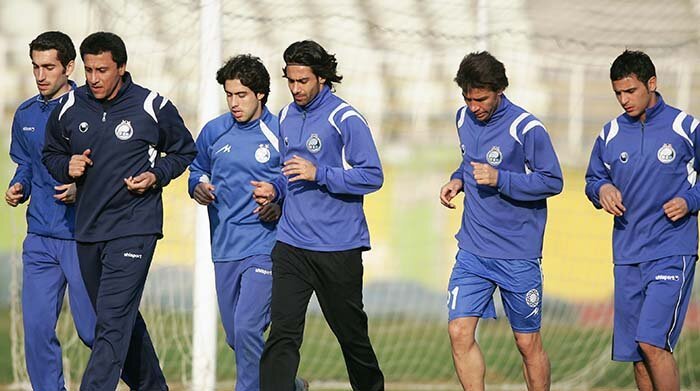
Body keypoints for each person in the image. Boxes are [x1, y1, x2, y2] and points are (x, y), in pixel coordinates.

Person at [42, 31, 196, 391]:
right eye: (89, 70)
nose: (94, 78)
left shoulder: (152, 106)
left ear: (122, 68)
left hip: (134, 227)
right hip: (88, 230)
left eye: (103, 70)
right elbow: (51, 154)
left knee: (110, 323)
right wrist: (69, 166)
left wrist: (156, 176)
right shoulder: (69, 107)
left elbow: (183, 151)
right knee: (121, 321)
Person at [252, 40, 385, 391]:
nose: (296, 89)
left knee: (352, 337)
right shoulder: (284, 116)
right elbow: (289, 171)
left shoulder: (346, 118)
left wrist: (320, 173)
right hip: (291, 244)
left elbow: (372, 176)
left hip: (338, 247)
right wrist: (276, 189)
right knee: (282, 335)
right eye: (291, 81)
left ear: (322, 79)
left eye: (303, 81)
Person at [439, 51, 562, 391]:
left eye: (481, 99)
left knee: (527, 343)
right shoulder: (463, 119)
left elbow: (553, 181)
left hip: (517, 254)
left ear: (500, 90)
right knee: (458, 331)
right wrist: (457, 180)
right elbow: (469, 162)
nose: (473, 106)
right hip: (473, 251)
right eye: (468, 98)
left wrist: (501, 179)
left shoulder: (527, 128)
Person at [188, 54, 309, 391]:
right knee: (236, 337)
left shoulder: (280, 131)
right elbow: (195, 169)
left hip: (266, 246)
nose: (234, 103)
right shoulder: (213, 131)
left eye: (241, 95)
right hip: (225, 246)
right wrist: (197, 186)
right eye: (229, 95)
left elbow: (298, 179)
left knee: (246, 329)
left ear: (260, 95)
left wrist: (278, 199)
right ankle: (289, 386)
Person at [585, 50, 698, 391]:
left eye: (630, 91)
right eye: (618, 93)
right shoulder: (610, 134)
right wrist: (602, 189)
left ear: (652, 84)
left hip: (670, 250)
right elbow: (592, 179)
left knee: (652, 342)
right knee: (638, 353)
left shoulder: (686, 127)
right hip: (628, 255)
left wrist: (691, 200)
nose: (624, 100)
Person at [6, 30, 95, 391]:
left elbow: (105, 165)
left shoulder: (91, 109)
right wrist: (20, 185)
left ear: (69, 67)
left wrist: (81, 188)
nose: (41, 76)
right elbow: (25, 163)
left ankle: (147, 380)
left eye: (49, 67)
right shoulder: (26, 113)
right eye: (35, 67)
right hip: (41, 237)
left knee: (94, 331)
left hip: (82, 236)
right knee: (37, 331)